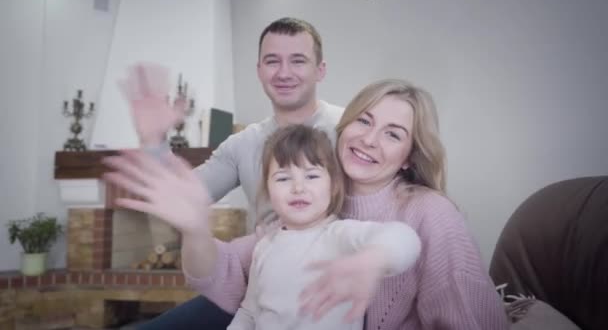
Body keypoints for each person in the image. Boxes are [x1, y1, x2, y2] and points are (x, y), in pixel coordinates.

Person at [105, 78, 510, 329]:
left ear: (408, 156)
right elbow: (228, 267)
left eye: (392, 134)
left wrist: (370, 263)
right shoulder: (316, 197)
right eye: (364, 121)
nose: (370, 139)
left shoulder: (431, 213)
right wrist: (191, 223)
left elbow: (471, 320)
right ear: (344, 125)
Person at [107, 17, 344, 329]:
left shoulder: (351, 131)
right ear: (259, 70)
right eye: (272, 61)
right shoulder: (242, 144)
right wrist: (154, 144)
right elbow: (185, 197)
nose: (284, 72)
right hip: (254, 292)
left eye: (298, 61)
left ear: (320, 70)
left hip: (336, 297)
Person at [227, 124, 420, 329]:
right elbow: (249, 312)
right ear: (268, 190)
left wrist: (372, 259)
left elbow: (405, 238)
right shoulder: (264, 247)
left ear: (333, 184)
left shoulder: (339, 235)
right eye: (283, 178)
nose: (298, 188)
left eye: (312, 176)